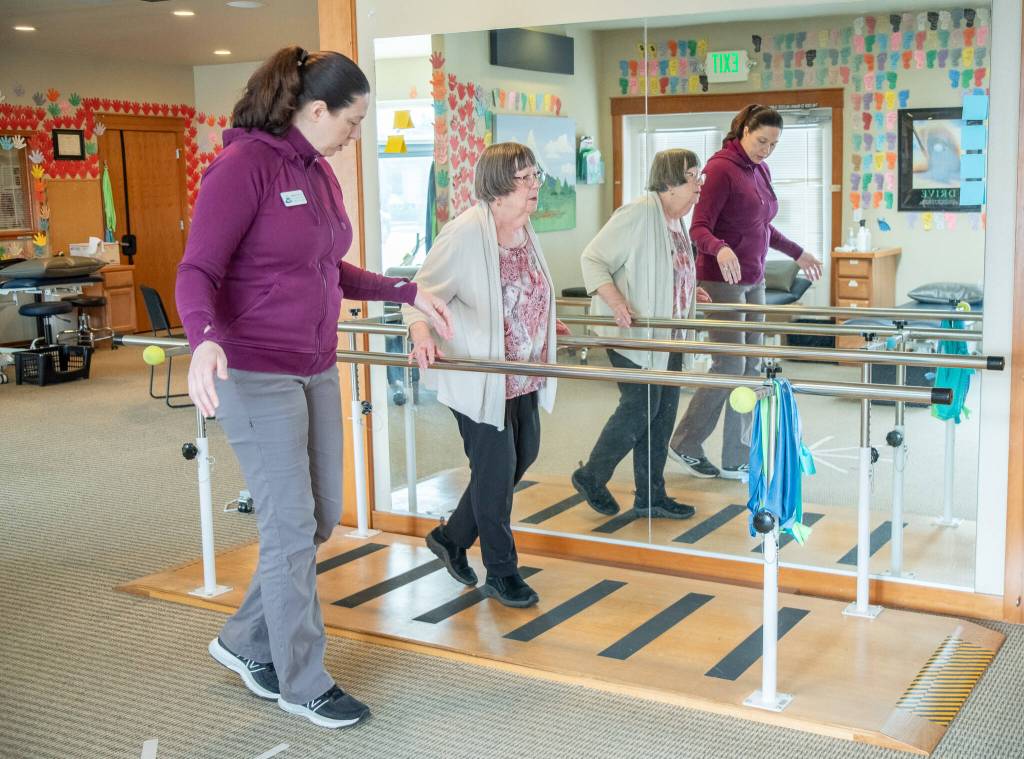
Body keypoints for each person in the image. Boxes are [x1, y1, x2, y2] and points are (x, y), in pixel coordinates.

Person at [175, 46, 452, 730]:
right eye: (352, 122)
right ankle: (302, 678)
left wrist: (405, 289)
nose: (356, 135)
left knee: (321, 515)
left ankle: (243, 639)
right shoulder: (243, 167)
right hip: (255, 371)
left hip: (315, 364)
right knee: (290, 528)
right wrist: (203, 336)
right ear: (315, 109)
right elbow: (196, 270)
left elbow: (329, 266)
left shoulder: (319, 173)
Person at [405, 142, 569, 609]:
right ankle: (502, 572)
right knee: (495, 474)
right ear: (498, 187)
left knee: (523, 457)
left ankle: (451, 537)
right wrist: (420, 333)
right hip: (480, 376)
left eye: (536, 174)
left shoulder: (523, 228)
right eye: (526, 177)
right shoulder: (464, 234)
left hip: (521, 374)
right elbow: (418, 294)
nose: (536, 184)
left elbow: (521, 291)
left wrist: (541, 319)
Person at [669, 104, 822, 480]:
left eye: (773, 144)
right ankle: (685, 442)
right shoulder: (719, 169)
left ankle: (737, 453)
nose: (766, 149)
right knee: (730, 363)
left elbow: (764, 227)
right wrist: (720, 248)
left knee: (752, 365)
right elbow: (698, 228)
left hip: (755, 277)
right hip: (720, 280)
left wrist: (798, 252)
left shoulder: (760, 170)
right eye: (761, 140)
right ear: (743, 130)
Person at [571, 149, 710, 519]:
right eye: (693, 176)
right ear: (669, 183)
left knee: (662, 414)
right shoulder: (637, 213)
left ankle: (650, 494)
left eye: (700, 176)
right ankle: (592, 476)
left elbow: (662, 268)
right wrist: (615, 301)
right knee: (641, 406)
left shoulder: (675, 220)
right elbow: (593, 258)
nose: (699, 185)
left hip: (669, 334)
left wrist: (685, 288)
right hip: (633, 332)